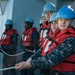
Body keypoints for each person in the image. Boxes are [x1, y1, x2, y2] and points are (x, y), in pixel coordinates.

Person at [15, 6, 75, 75]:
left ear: (72, 21)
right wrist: (28, 61)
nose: (63, 22)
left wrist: (29, 64)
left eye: (66, 20)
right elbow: (42, 50)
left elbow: (52, 59)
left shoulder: (71, 40)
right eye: (61, 19)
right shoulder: (57, 36)